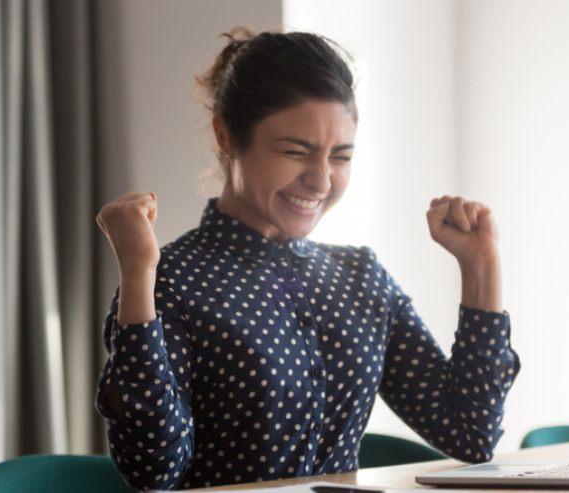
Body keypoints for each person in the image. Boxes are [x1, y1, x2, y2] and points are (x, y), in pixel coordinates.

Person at [95, 28, 520, 491]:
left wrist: (481, 267)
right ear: (226, 136)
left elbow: (470, 432)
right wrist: (138, 273)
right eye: (295, 151)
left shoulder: (361, 277)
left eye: (341, 156)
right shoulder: (172, 281)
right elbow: (153, 470)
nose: (320, 181)